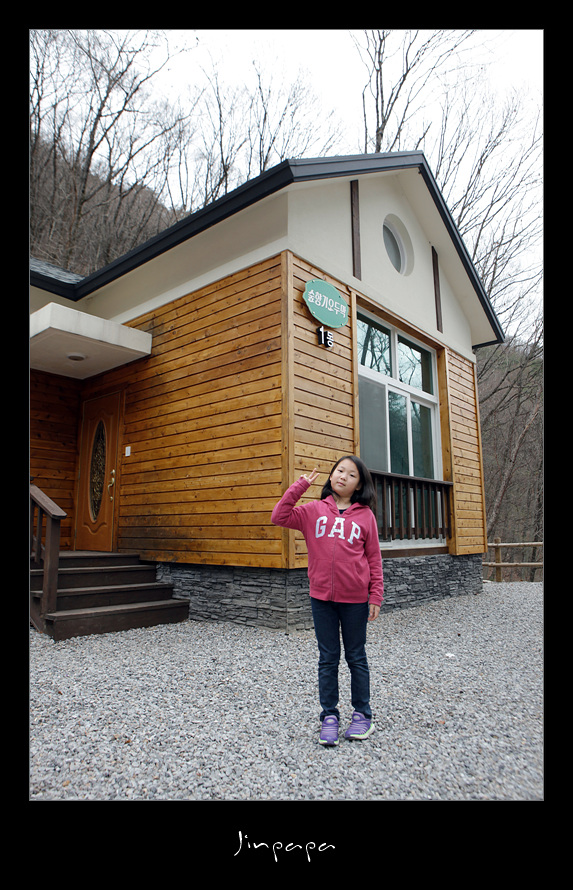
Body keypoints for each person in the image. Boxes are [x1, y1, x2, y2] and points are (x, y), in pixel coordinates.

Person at [271, 456, 383, 746]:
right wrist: (300, 486)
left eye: (352, 474)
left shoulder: (365, 516)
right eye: (339, 471)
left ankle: (362, 714)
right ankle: (329, 717)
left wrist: (376, 594)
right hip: (321, 598)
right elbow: (279, 516)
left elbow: (374, 558)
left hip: (355, 600)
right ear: (331, 476)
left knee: (356, 657)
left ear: (360, 485)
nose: (343, 476)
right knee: (328, 658)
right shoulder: (314, 511)